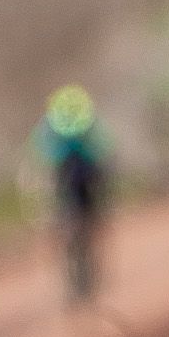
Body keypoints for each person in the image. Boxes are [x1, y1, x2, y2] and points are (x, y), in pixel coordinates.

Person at [34, 84, 110, 305]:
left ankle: (88, 270)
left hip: (85, 182)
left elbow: (104, 160)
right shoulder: (48, 131)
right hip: (62, 186)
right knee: (63, 226)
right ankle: (72, 275)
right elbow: (40, 167)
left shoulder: (92, 131)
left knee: (90, 223)